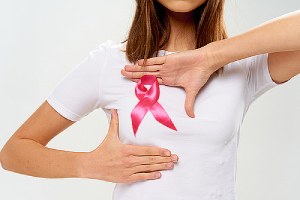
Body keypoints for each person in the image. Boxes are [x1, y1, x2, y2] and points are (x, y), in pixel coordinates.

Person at [0, 0, 299, 200]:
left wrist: (211, 56)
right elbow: (13, 152)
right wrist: (88, 165)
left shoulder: (243, 66)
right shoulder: (111, 63)